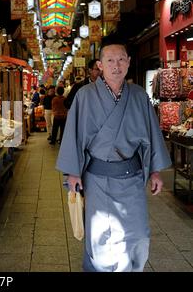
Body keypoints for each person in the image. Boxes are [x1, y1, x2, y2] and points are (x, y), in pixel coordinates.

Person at [56, 34, 171, 272]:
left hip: (131, 178)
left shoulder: (139, 96)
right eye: (110, 60)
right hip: (97, 179)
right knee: (102, 240)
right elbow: (74, 136)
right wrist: (73, 173)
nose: (116, 66)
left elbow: (151, 135)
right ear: (100, 65)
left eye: (121, 59)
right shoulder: (85, 96)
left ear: (128, 62)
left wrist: (156, 172)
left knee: (138, 235)